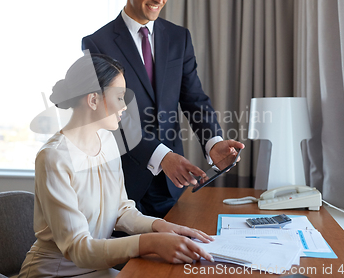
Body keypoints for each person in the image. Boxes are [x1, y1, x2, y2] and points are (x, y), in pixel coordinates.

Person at [82, 0, 244, 218]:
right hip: (122, 183)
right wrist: (161, 156)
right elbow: (109, 114)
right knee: (128, 261)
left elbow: (194, 98)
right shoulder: (98, 43)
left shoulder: (179, 38)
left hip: (172, 186)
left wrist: (213, 142)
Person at [18, 54, 214, 278]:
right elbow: (78, 249)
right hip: (56, 272)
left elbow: (121, 210)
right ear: (92, 100)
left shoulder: (108, 141)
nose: (125, 106)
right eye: (120, 97)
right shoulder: (54, 157)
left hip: (97, 268)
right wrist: (148, 243)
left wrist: (160, 226)